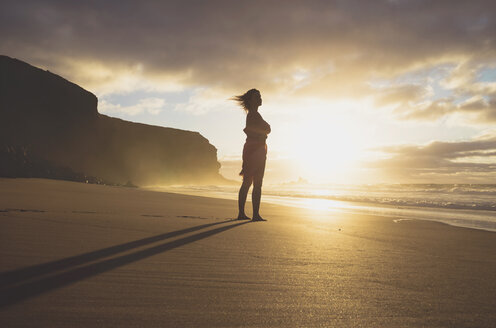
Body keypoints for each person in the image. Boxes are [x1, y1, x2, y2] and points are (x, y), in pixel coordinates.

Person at [232, 89, 271, 221]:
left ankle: (254, 214)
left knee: (256, 183)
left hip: (259, 149)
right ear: (250, 100)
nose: (260, 98)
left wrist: (263, 133)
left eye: (260, 95)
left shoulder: (255, 114)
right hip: (254, 150)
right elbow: (249, 131)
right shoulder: (252, 115)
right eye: (257, 96)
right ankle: (244, 214)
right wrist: (262, 133)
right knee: (249, 182)